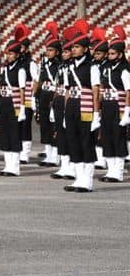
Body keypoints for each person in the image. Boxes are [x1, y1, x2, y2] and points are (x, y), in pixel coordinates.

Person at [62, 20, 101, 193]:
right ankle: (78, 178)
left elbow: (96, 91)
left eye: (78, 47)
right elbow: (68, 91)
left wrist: (96, 113)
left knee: (86, 142)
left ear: (85, 49)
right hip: (71, 106)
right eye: (73, 47)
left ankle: (87, 180)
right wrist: (64, 113)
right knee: (73, 141)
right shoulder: (69, 67)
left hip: (85, 106)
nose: (74, 50)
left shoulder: (92, 67)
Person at [98, 26, 130, 183]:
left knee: (118, 137)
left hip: (119, 105)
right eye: (109, 53)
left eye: (112, 53)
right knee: (107, 136)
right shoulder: (106, 68)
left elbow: (128, 91)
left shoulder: (124, 70)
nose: (109, 56)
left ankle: (118, 171)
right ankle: (110, 170)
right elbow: (102, 88)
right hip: (108, 105)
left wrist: (126, 112)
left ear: (120, 54)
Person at [0, 38, 26, 176]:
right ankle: (7, 165)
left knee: (14, 134)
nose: (9, 56)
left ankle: (15, 166)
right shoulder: (4, 69)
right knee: (5, 134)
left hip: (15, 103)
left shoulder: (20, 70)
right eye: (8, 54)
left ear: (17, 55)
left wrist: (22, 108)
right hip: (4, 102)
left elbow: (22, 90)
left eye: (12, 54)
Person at [51, 28, 76, 180]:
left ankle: (72, 166)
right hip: (60, 99)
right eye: (63, 52)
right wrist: (53, 106)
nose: (64, 54)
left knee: (71, 134)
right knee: (60, 132)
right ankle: (64, 165)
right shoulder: (60, 67)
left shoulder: (73, 67)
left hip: (71, 100)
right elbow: (56, 86)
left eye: (67, 52)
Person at [36, 22, 62, 167]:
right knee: (45, 125)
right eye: (47, 50)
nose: (48, 52)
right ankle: (48, 153)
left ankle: (55, 156)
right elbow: (40, 80)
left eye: (51, 50)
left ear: (57, 51)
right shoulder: (45, 64)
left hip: (54, 96)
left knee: (54, 127)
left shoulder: (60, 65)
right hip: (44, 95)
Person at [14, 24, 37, 165]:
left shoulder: (31, 63)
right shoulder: (15, 62)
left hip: (27, 98)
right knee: (15, 125)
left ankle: (25, 152)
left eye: (21, 47)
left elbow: (35, 80)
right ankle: (17, 150)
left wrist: (33, 98)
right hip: (15, 97)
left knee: (25, 126)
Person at [90, 28, 109, 170]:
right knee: (95, 130)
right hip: (92, 101)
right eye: (95, 52)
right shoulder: (93, 65)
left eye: (99, 53)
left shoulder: (107, 67)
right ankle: (97, 156)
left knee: (103, 130)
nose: (96, 55)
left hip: (103, 100)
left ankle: (103, 158)